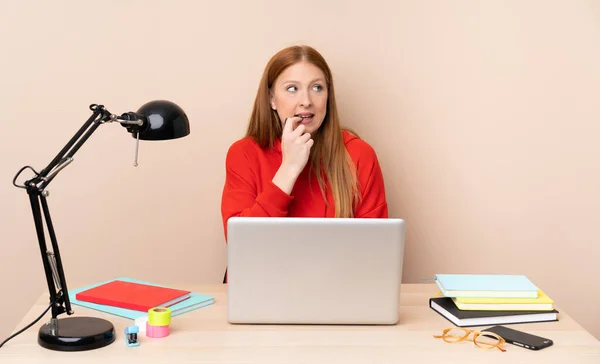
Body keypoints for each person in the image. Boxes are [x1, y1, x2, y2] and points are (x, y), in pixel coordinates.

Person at [221, 44, 388, 243]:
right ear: (271, 99)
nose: (306, 101)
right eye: (292, 89)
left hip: (336, 274)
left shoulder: (359, 154)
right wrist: (289, 168)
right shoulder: (244, 154)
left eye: (317, 88)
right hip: (265, 275)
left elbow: (375, 249)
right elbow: (242, 244)